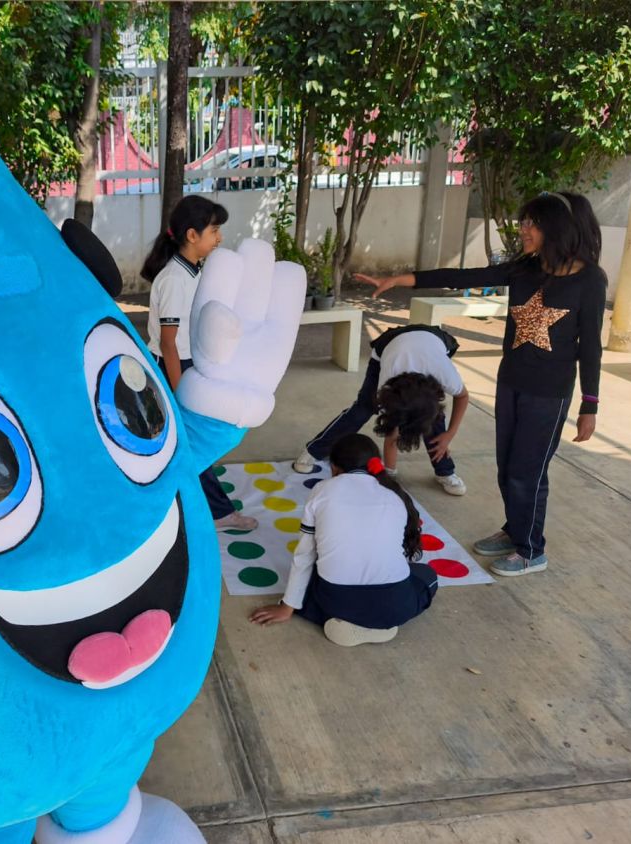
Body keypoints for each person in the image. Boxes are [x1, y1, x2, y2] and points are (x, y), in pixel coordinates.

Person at [354, 191, 606, 577]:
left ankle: (531, 550)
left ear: (558, 228)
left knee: (527, 472)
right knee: (507, 468)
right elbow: (463, 277)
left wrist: (590, 404)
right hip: (511, 383)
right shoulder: (526, 269)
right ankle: (514, 530)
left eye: (532, 224)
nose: (523, 230)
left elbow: (590, 346)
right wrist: (401, 279)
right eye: (524, 222)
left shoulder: (589, 280)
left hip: (549, 393)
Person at [249, 433, 437, 646]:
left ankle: (342, 621)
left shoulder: (322, 490)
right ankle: (378, 625)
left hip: (339, 601)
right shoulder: (394, 496)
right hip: (395, 607)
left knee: (312, 581)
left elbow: (304, 555)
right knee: (427, 575)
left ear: (334, 468)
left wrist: (287, 606)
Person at [141, 195, 257, 531]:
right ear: (192, 235)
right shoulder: (174, 279)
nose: (219, 237)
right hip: (172, 368)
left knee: (190, 444)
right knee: (190, 443)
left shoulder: (193, 271)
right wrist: (181, 392)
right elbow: (168, 342)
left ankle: (201, 507)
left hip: (186, 365)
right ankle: (216, 512)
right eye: (214, 230)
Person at [292, 323, 470, 496]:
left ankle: (445, 471)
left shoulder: (445, 375)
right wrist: (389, 476)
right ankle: (313, 451)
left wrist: (450, 434)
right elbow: (392, 436)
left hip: (432, 342)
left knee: (429, 415)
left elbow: (462, 397)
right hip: (389, 345)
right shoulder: (387, 385)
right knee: (362, 409)